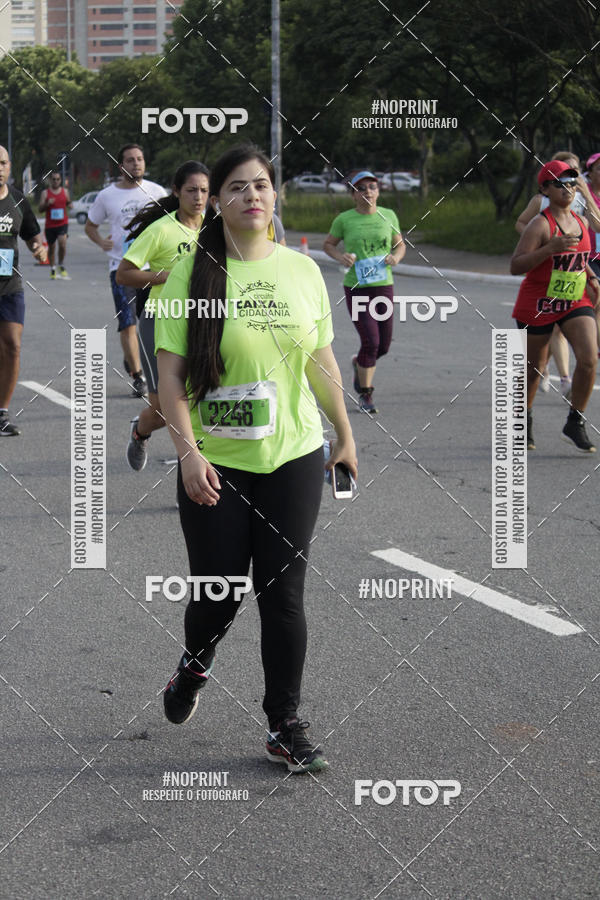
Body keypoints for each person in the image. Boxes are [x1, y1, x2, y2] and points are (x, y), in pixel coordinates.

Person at [155, 144, 357, 773]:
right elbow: (170, 378)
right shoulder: (190, 272)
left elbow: (321, 363)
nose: (252, 196)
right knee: (218, 594)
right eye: (237, 187)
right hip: (216, 460)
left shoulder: (303, 272)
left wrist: (343, 432)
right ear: (217, 200)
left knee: (284, 594)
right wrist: (187, 454)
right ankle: (193, 668)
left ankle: (284, 722)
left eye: (262, 185)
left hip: (293, 454)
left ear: (276, 197)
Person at [116, 161, 209, 471]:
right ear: (177, 192)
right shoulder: (162, 229)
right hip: (160, 319)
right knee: (164, 407)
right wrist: (166, 276)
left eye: (204, 191)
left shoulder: (216, 229)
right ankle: (140, 431)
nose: (199, 197)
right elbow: (124, 275)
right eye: (192, 190)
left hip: (205, 320)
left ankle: (196, 471)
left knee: (202, 399)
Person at [511, 160, 599, 452]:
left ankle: (575, 420)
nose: (568, 189)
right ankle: (523, 418)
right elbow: (516, 266)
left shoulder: (583, 222)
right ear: (545, 188)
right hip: (539, 301)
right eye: (560, 184)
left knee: (589, 359)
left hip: (574, 299)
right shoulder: (540, 223)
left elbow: (581, 257)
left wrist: (590, 277)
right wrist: (549, 249)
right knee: (535, 367)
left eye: (572, 183)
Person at [85, 144, 167, 397]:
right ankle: (138, 376)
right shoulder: (107, 196)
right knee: (128, 323)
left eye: (140, 159)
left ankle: (149, 366)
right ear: (121, 166)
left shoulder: (157, 191)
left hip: (153, 268)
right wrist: (101, 242)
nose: (136, 164)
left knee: (153, 323)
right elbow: (90, 225)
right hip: (121, 268)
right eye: (130, 160)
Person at [323, 170, 404, 413]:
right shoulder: (345, 220)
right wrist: (341, 256)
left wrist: (396, 257)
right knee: (370, 341)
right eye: (361, 188)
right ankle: (366, 395)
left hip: (383, 286)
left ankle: (360, 364)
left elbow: (399, 244)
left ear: (378, 191)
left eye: (372, 187)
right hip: (357, 288)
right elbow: (328, 245)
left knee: (384, 346)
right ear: (353, 195)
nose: (367, 192)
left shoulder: (388, 215)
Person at [0, 145, 47, 435]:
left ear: (9, 165)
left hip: (9, 286)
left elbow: (31, 235)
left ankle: (2, 413)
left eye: (2, 162)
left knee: (12, 346)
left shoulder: (17, 200)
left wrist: (38, 248)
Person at [38, 170, 71, 279]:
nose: (56, 181)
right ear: (50, 181)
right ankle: (53, 268)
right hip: (50, 225)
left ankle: (61, 264)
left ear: (60, 180)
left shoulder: (65, 192)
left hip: (62, 223)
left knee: (62, 244)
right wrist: (47, 204)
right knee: (52, 248)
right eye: (54, 179)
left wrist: (70, 205)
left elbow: (68, 202)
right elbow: (40, 209)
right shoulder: (45, 193)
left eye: (58, 179)